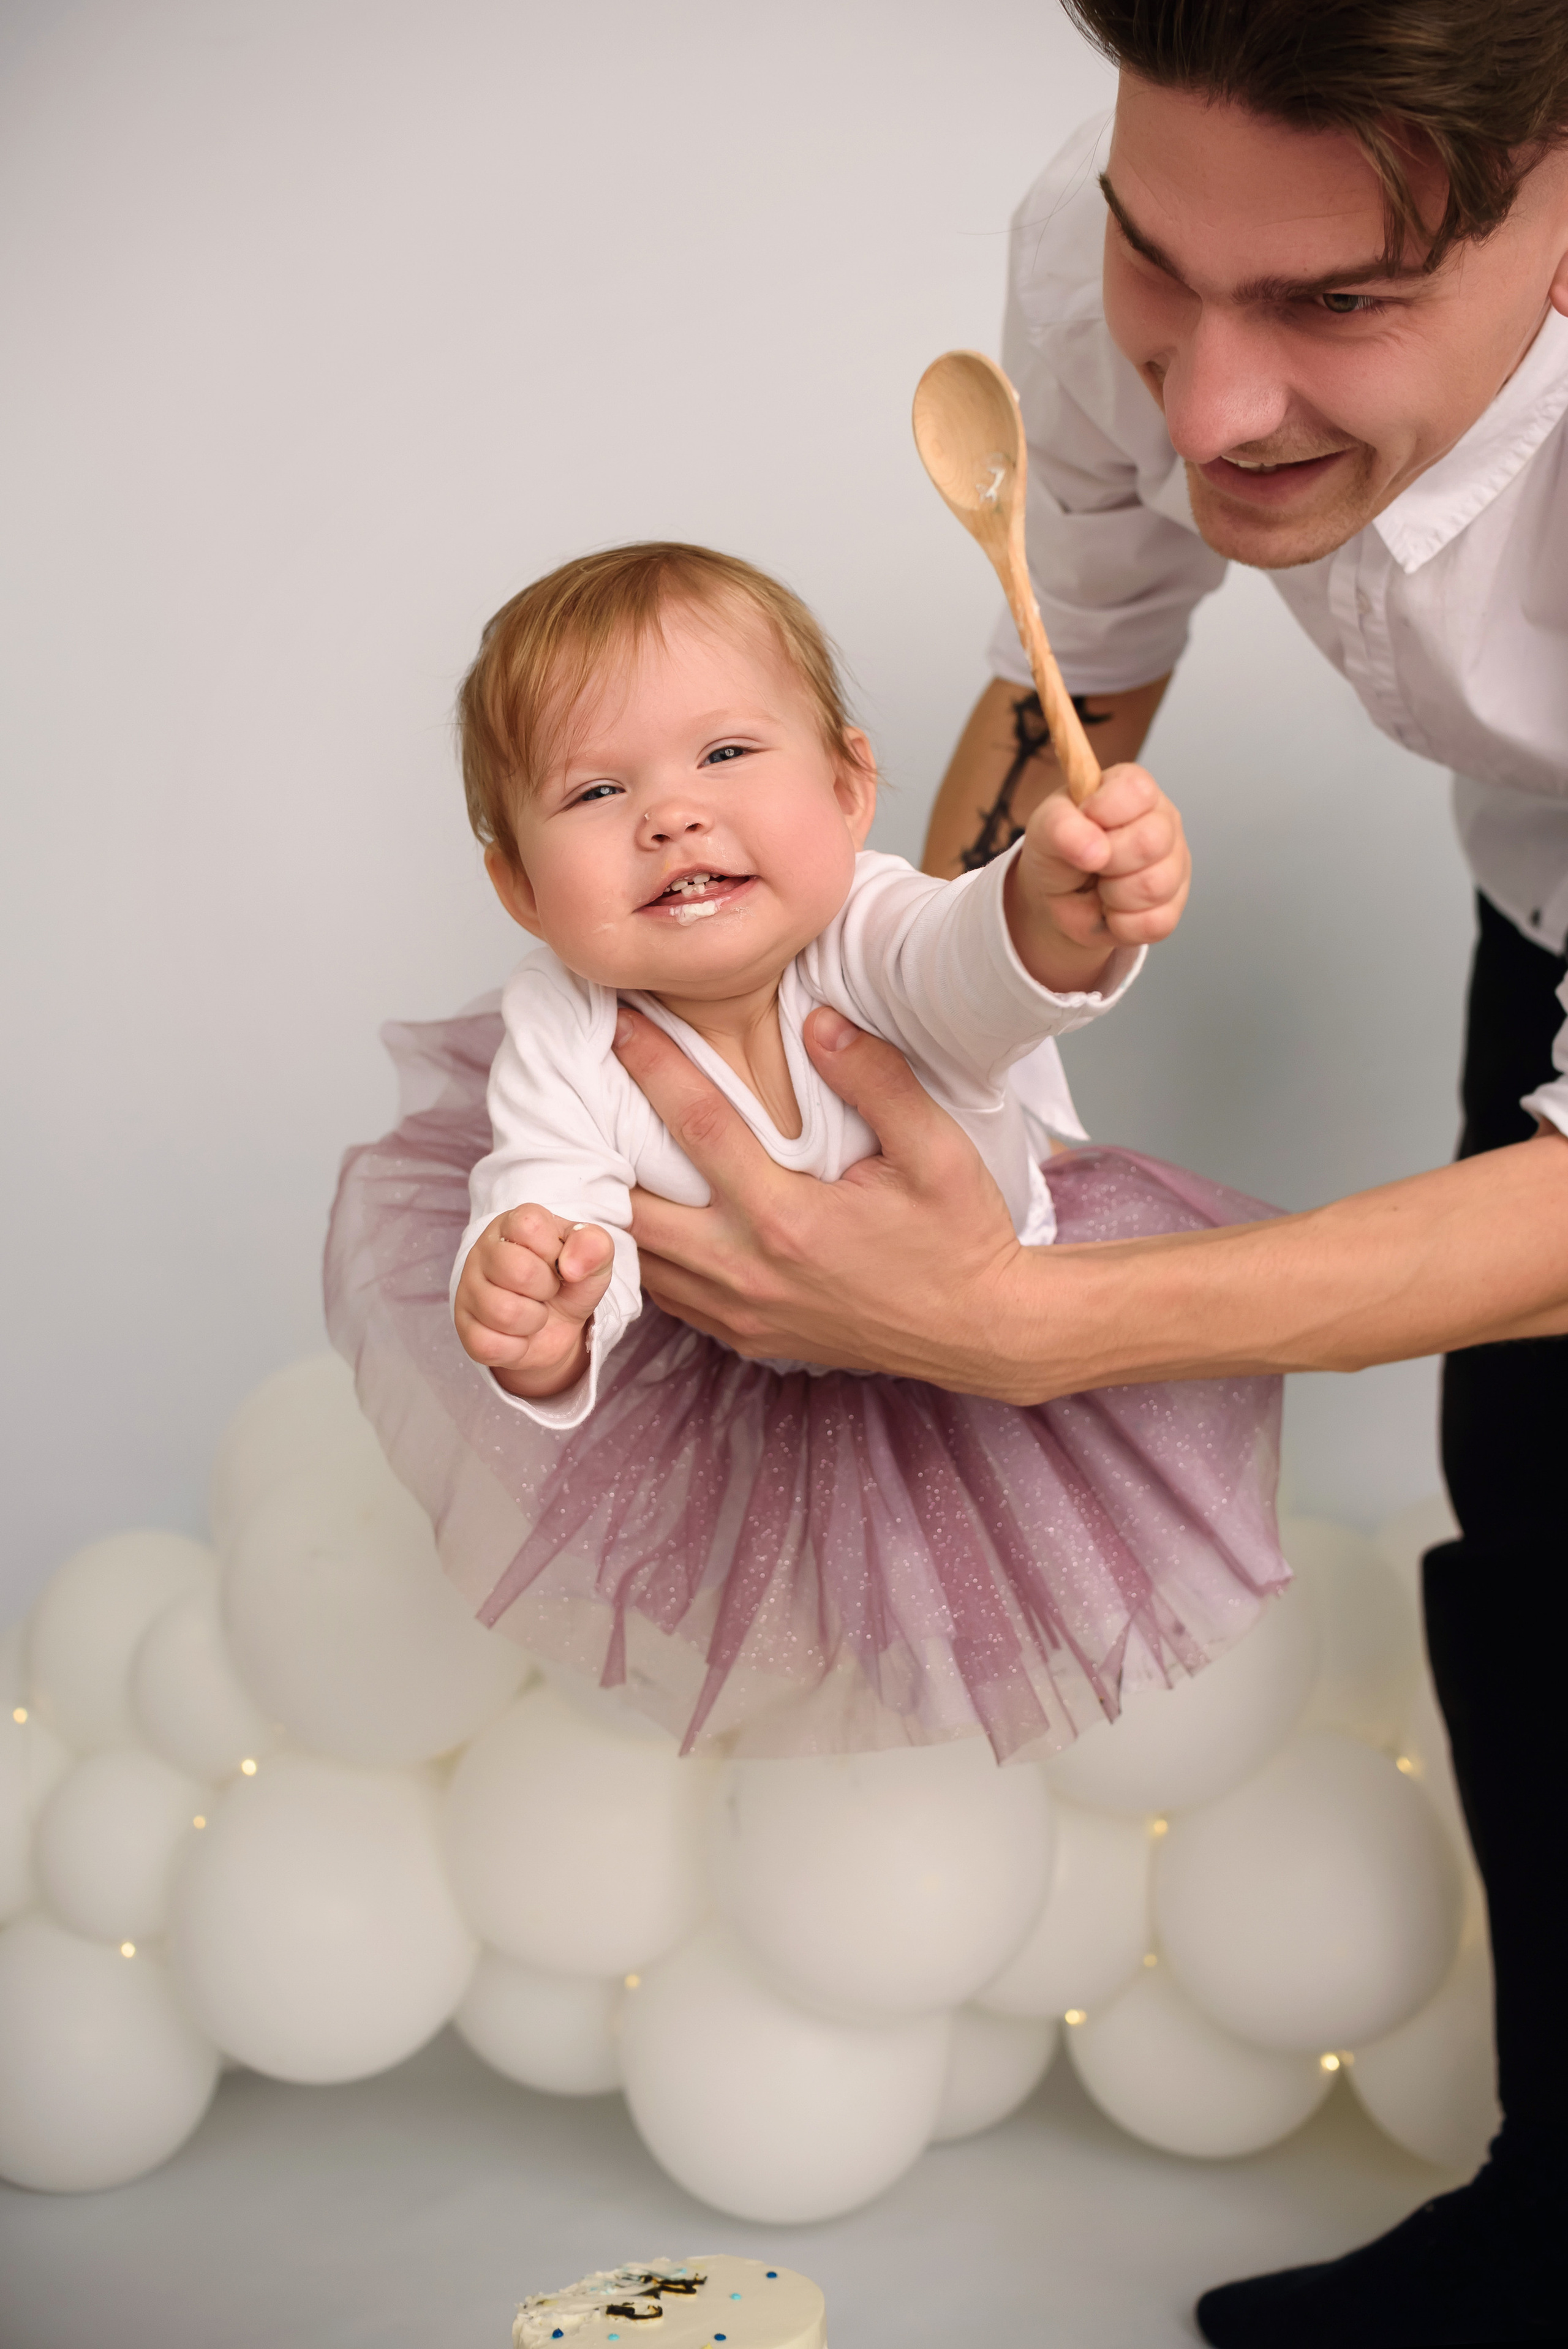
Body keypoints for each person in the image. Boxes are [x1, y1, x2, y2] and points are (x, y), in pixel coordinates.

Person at [603, 6, 1568, 2343]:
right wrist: (878, 1054)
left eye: (1341, 306)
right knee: (1536, 1510)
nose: (1212, 402)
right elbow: (1083, 685)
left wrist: (1030, 1327)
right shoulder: (1121, 240)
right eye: (1169, 268)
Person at [328, 539, 1288, 1763]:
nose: (672, 814)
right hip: (759, 1378)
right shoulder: (564, 1020)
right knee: (820, 1673)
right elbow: (549, 1179)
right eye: (593, 793)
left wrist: (1047, 915)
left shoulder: (869, 924)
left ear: (848, 790)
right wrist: (539, 1296)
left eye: (725, 754)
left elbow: (970, 970)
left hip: (1002, 1345)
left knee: (1006, 1644)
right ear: (518, 885)